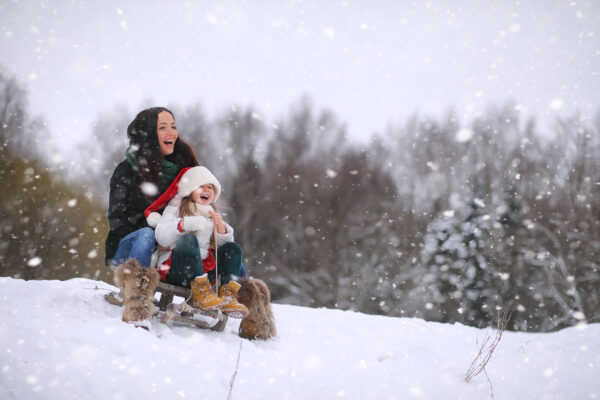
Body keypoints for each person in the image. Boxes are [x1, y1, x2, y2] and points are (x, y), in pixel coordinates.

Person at [146, 166, 248, 318]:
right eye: (201, 186)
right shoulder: (175, 209)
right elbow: (161, 237)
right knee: (189, 240)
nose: (206, 190)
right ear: (190, 189)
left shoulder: (213, 214)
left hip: (205, 276)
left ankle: (228, 295)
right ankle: (201, 292)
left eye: (210, 188)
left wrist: (220, 228)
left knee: (233, 248)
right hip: (177, 270)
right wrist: (182, 225)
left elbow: (224, 251)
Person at [105, 107, 199, 268]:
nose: (171, 132)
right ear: (148, 135)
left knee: (226, 248)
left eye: (173, 126)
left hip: (169, 247)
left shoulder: (183, 169)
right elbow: (117, 222)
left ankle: (240, 290)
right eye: (163, 127)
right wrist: (157, 242)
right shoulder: (126, 170)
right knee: (146, 235)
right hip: (128, 247)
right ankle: (138, 287)